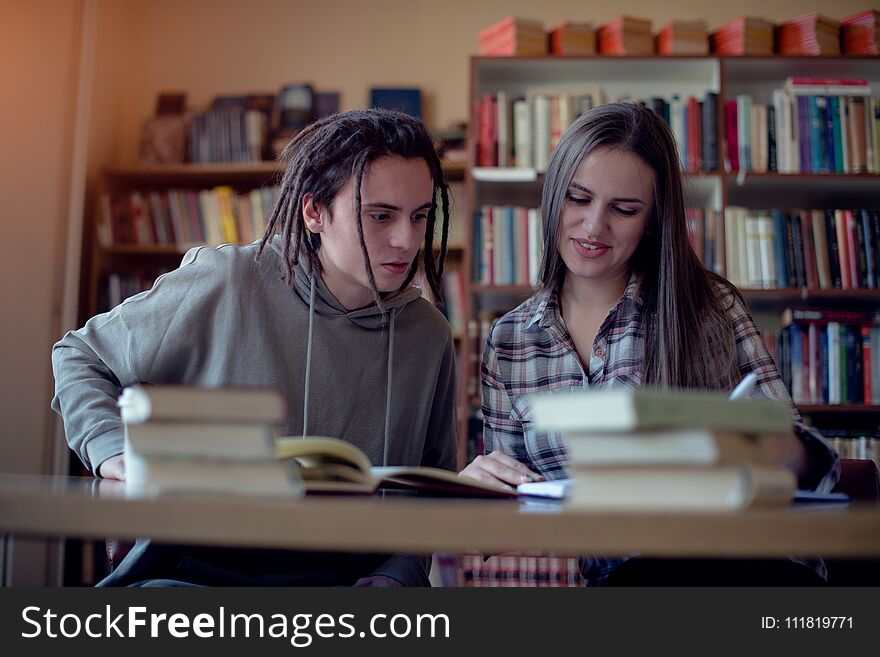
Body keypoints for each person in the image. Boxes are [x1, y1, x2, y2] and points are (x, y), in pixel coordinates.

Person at [51, 108, 458, 587]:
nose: (406, 239)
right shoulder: (229, 281)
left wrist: (397, 575)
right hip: (192, 578)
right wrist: (110, 449)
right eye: (380, 215)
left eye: (420, 216)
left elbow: (428, 497)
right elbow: (80, 354)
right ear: (314, 212)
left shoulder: (429, 337)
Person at [460, 102, 839, 585]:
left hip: (721, 573)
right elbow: (506, 523)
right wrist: (485, 497)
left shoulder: (707, 306)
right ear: (553, 197)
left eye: (624, 209)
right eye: (578, 199)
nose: (594, 227)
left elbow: (805, 470)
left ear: (654, 221)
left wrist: (776, 446)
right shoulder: (508, 340)